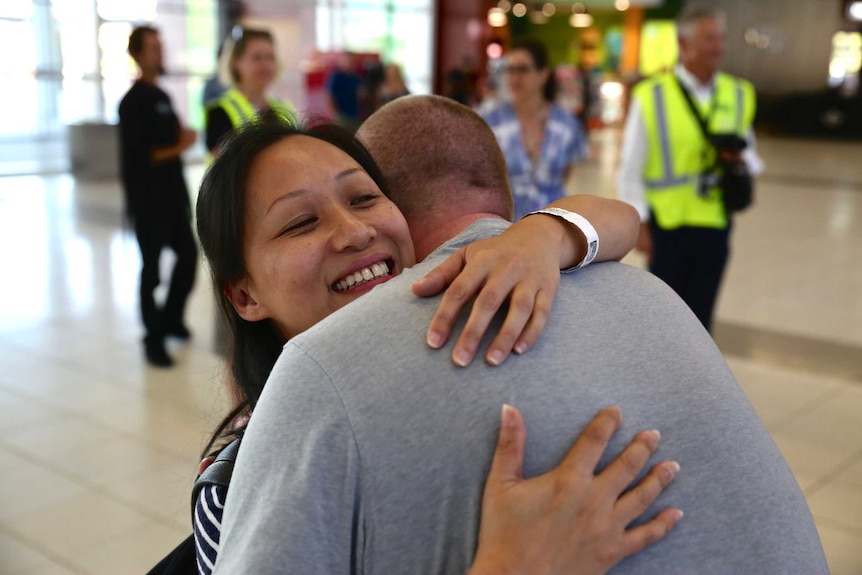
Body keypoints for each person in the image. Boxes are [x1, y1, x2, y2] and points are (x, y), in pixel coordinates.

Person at [212, 95, 828, 574]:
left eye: (366, 199)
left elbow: (614, 218)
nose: (353, 233)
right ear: (242, 294)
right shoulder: (649, 292)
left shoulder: (332, 373)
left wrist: (545, 234)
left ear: (403, 210)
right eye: (298, 223)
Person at [616, 5, 764, 332]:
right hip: (668, 226)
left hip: (716, 222)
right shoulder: (651, 95)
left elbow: (753, 156)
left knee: (702, 316)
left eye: (720, 39)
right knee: (663, 316)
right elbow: (630, 166)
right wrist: (640, 221)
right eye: (709, 39)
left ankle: (695, 380)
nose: (718, 47)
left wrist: (739, 161)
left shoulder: (738, 94)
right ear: (684, 45)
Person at [118, 26, 198, 368]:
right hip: (148, 202)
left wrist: (180, 139)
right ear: (136, 54)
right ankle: (153, 339)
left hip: (172, 196)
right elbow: (141, 157)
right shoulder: (132, 103)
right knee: (151, 272)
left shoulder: (162, 96)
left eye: (160, 47)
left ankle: (171, 319)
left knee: (188, 258)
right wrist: (181, 145)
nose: (158, 54)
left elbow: (171, 138)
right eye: (152, 48)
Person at [480, 39, 588, 219]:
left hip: (553, 224)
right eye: (510, 70)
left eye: (523, 69)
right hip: (504, 225)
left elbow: (564, 175)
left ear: (543, 74)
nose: (515, 78)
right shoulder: (490, 122)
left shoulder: (566, 125)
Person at [204, 27, 295, 156]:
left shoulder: (284, 106)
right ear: (236, 63)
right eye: (256, 58)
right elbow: (225, 166)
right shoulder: (219, 111)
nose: (265, 64)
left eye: (270, 57)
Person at [326, 52, 363, 132]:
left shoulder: (355, 77)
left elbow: (360, 93)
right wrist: (335, 112)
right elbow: (330, 94)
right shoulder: (337, 76)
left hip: (354, 113)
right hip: (341, 113)